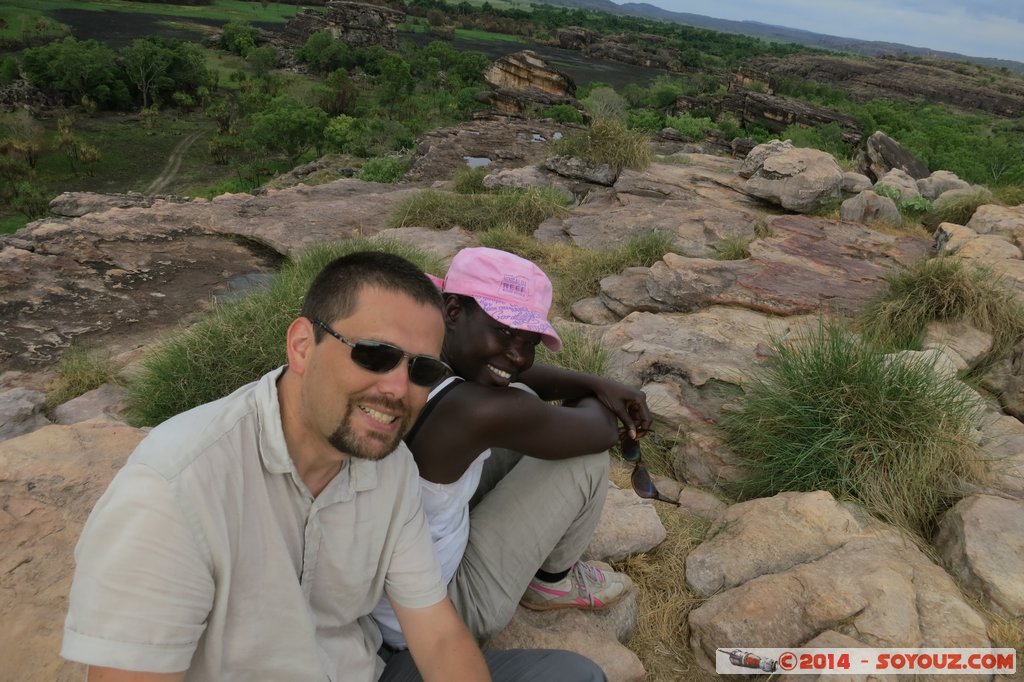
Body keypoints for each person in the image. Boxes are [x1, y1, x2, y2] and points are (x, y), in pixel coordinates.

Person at [61, 251, 605, 682]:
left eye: (421, 368)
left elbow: (437, 635)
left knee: (575, 674)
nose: (396, 389)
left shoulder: (384, 462)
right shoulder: (173, 491)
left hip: (367, 667)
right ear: (302, 345)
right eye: (373, 354)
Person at [372, 247, 653, 650]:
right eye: (504, 331)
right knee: (582, 457)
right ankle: (551, 583)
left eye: (530, 340)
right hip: (437, 614)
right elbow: (599, 432)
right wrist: (602, 398)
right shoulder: (475, 410)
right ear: (453, 311)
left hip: (390, 587)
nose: (520, 354)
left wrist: (595, 384)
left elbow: (519, 375)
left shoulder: (413, 350)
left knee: (515, 385)